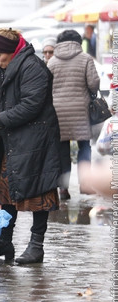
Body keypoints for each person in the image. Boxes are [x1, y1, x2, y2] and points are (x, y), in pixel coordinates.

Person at [0, 28, 61, 265]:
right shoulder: (1, 68)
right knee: (6, 190)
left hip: (36, 140)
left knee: (39, 190)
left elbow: (30, 105)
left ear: (12, 51)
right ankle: (5, 241)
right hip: (12, 139)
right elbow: (2, 100)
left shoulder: (33, 67)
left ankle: (36, 247)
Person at [47, 29, 99, 200]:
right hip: (81, 110)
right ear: (77, 42)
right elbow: (93, 84)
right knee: (84, 146)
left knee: (63, 150)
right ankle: (85, 183)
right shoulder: (85, 59)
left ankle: (63, 188)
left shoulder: (52, 61)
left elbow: (45, 87)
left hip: (58, 112)